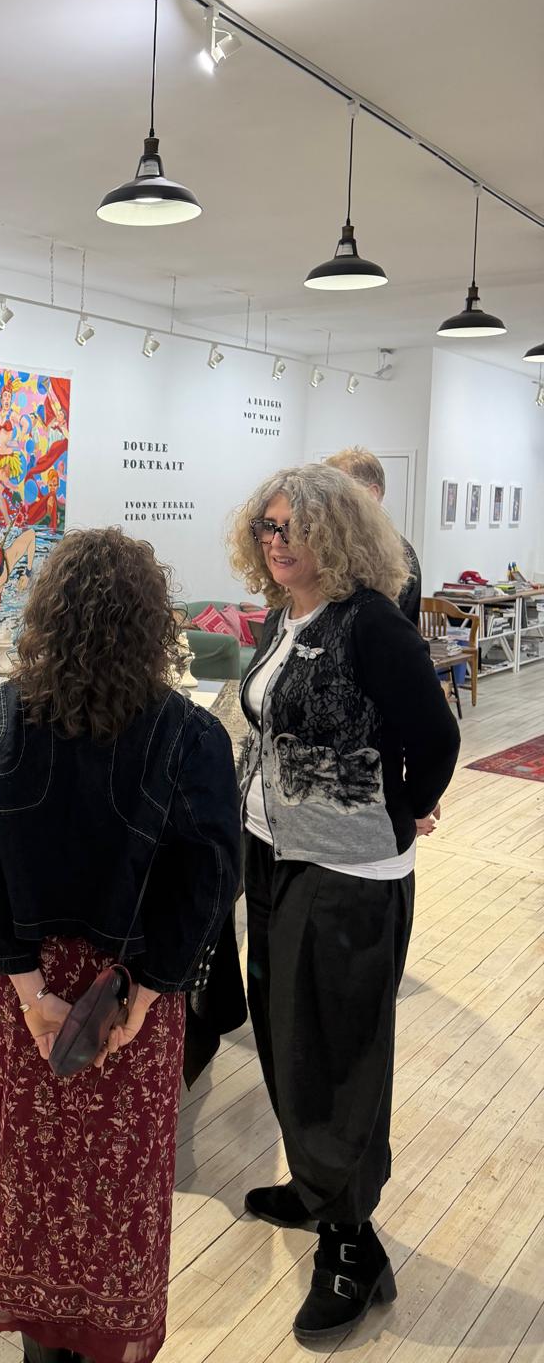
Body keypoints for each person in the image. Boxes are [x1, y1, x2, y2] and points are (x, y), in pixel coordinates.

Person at [0, 527, 241, 1363]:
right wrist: (147, 995)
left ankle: (39, 1344)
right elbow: (210, 880)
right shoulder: (188, 734)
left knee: (29, 1177)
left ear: (47, 615)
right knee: (118, 1183)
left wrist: (27, 991)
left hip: (34, 991)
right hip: (126, 990)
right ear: (151, 622)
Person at [227, 463, 460, 1342]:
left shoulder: (370, 623)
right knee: (285, 1035)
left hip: (349, 871)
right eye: (268, 526)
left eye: (294, 527)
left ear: (338, 533)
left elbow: (435, 737)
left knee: (340, 1053)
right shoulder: (284, 617)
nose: (277, 542)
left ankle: (351, 1244)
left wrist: (407, 804)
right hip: (272, 854)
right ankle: (316, 1183)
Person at [324, 447, 422, 624]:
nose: (329, 502)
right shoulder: (335, 545)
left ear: (372, 493)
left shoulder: (397, 555)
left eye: (338, 491)